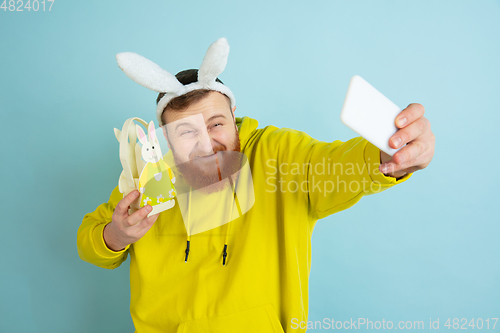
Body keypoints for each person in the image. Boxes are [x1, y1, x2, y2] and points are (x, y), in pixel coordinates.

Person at [77, 38, 435, 333]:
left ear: (234, 117)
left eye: (216, 124)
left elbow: (335, 167)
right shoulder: (150, 173)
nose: (206, 144)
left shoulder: (277, 154)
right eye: (186, 132)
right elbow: (90, 240)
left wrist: (388, 155)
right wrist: (116, 236)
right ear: (168, 140)